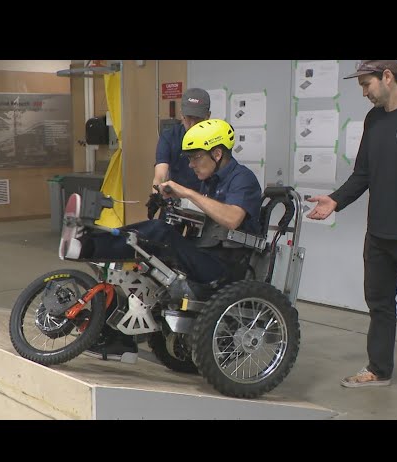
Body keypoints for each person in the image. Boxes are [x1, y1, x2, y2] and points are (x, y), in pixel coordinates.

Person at [306, 60, 397, 404]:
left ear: (388, 77)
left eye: (366, 83)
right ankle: (379, 368)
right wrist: (335, 201)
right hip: (379, 234)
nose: (363, 91)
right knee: (380, 305)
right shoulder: (374, 120)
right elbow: (363, 174)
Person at [64, 119, 262, 363]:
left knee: (161, 233)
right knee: (148, 261)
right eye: (189, 159)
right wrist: (173, 203)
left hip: (224, 266)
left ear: (218, 153)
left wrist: (188, 192)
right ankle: (116, 337)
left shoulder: (243, 179)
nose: (191, 165)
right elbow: (207, 216)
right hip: (205, 254)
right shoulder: (209, 182)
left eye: (196, 158)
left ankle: (88, 244)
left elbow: (232, 218)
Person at [147, 88, 211, 219]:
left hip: (206, 202)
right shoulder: (170, 137)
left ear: (208, 116)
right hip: (175, 201)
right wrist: (157, 194)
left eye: (197, 119)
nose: (192, 124)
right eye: (188, 119)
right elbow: (160, 174)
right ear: (181, 114)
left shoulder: (216, 139)